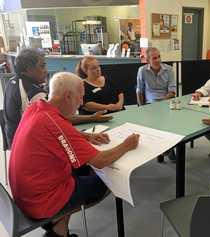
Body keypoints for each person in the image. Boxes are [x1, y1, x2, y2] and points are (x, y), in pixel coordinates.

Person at [9, 72, 140, 237]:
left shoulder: (37, 108)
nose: (82, 102)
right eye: (80, 97)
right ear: (68, 96)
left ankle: (58, 229)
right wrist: (127, 145)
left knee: (81, 169)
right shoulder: (54, 123)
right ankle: (57, 223)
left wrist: (87, 136)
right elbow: (100, 161)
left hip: (25, 194)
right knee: (105, 179)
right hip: (41, 202)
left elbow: (58, 133)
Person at [3, 48, 110, 147]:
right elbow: (57, 124)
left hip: (14, 139)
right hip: (29, 146)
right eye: (42, 66)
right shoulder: (35, 94)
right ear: (28, 69)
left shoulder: (12, 81)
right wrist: (90, 125)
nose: (46, 70)